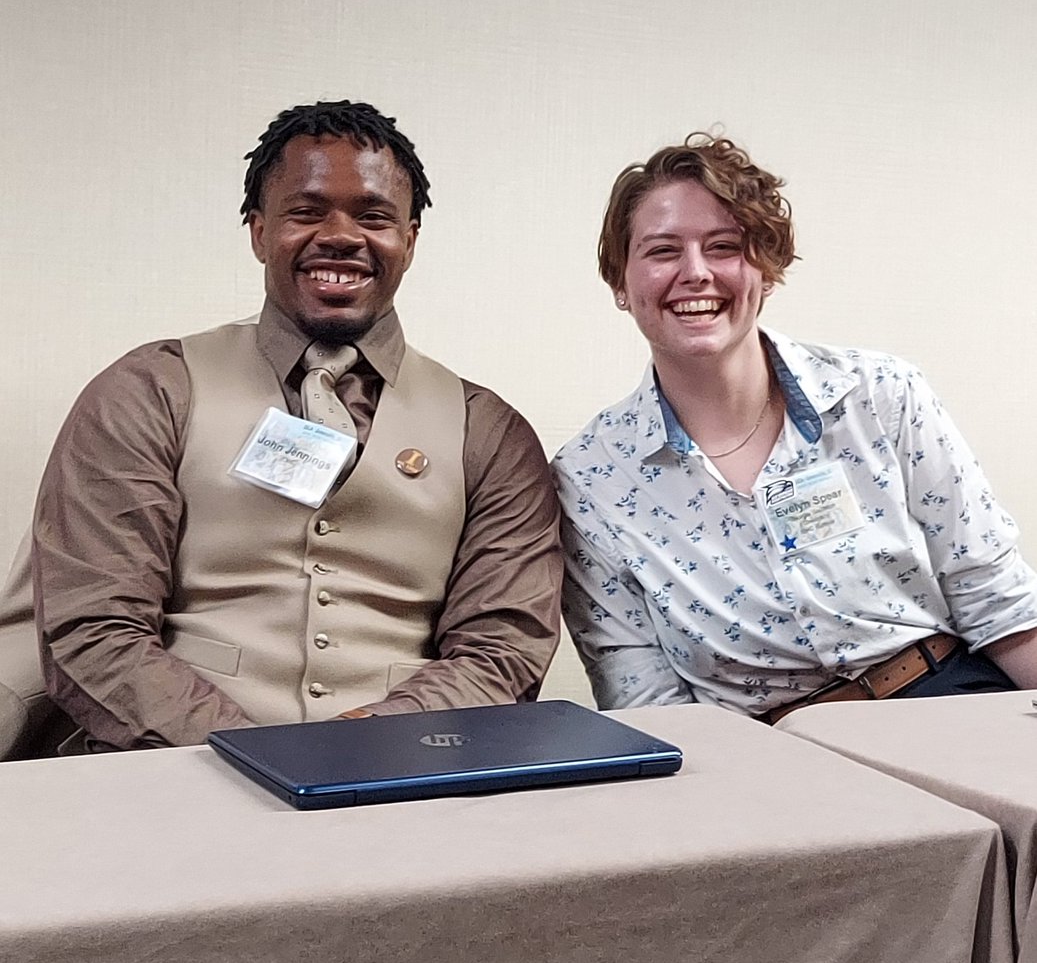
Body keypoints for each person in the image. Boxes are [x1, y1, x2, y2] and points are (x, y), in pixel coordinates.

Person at [7, 99, 561, 754]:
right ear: (258, 230)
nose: (339, 235)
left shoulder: (490, 432)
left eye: (374, 216)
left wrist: (365, 753)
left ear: (409, 241)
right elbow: (91, 627)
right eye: (306, 211)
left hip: (402, 790)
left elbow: (502, 650)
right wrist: (248, 758)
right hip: (164, 776)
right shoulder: (149, 391)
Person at [552, 133, 1037, 721]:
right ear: (620, 284)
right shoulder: (589, 479)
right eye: (662, 251)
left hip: (942, 699)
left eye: (724, 246)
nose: (697, 273)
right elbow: (643, 697)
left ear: (766, 266)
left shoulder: (881, 394)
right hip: (771, 755)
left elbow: (995, 599)